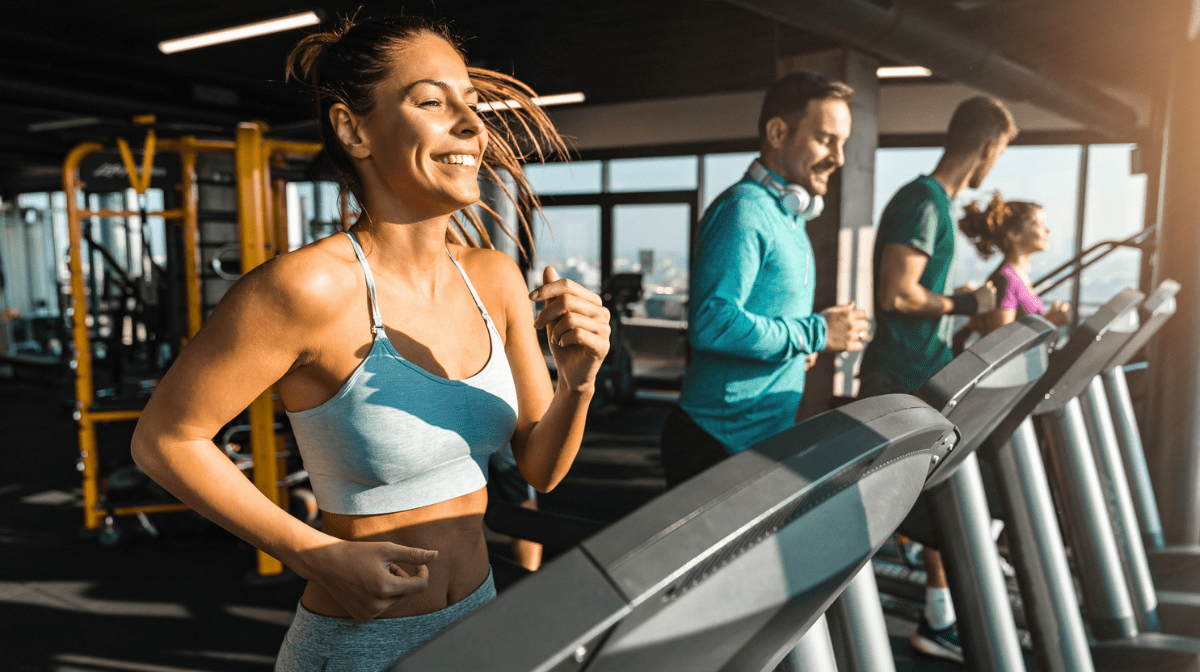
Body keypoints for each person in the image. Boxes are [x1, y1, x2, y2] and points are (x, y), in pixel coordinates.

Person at [130, 15, 609, 671]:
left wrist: (579, 378)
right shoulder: (304, 289)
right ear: (354, 129)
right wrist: (311, 552)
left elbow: (541, 468)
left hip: (481, 618)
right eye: (433, 102)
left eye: (471, 103)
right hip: (362, 646)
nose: (472, 125)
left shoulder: (495, 278)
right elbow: (164, 439)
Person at [858, 95, 1017, 663]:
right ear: (986, 145)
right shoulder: (924, 202)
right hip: (899, 381)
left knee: (934, 505)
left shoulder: (937, 205)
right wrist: (963, 301)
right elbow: (897, 293)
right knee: (915, 509)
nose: (996, 164)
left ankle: (939, 613)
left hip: (918, 375)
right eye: (1000, 151)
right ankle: (924, 618)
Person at [660, 71, 870, 488]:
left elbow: (769, 321)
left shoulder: (788, 217)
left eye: (842, 144)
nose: (839, 158)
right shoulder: (743, 211)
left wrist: (800, 348)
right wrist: (816, 333)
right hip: (715, 442)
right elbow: (713, 323)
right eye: (826, 140)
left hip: (758, 441)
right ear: (777, 132)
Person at [958, 193, 1071, 335]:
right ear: (1013, 234)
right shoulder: (1004, 280)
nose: (1047, 230)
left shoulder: (1018, 276)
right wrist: (1049, 323)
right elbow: (997, 345)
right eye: (1038, 224)